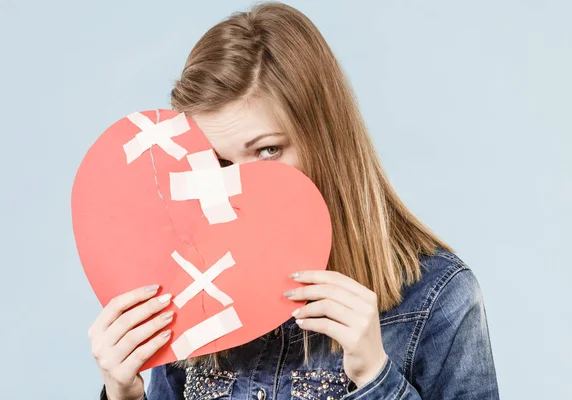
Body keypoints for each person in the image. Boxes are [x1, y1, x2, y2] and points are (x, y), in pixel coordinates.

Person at [88, 2, 499, 399]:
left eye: (268, 151)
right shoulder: (189, 290)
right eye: (219, 161)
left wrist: (375, 378)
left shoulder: (437, 296)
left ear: (325, 140)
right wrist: (123, 395)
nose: (238, 188)